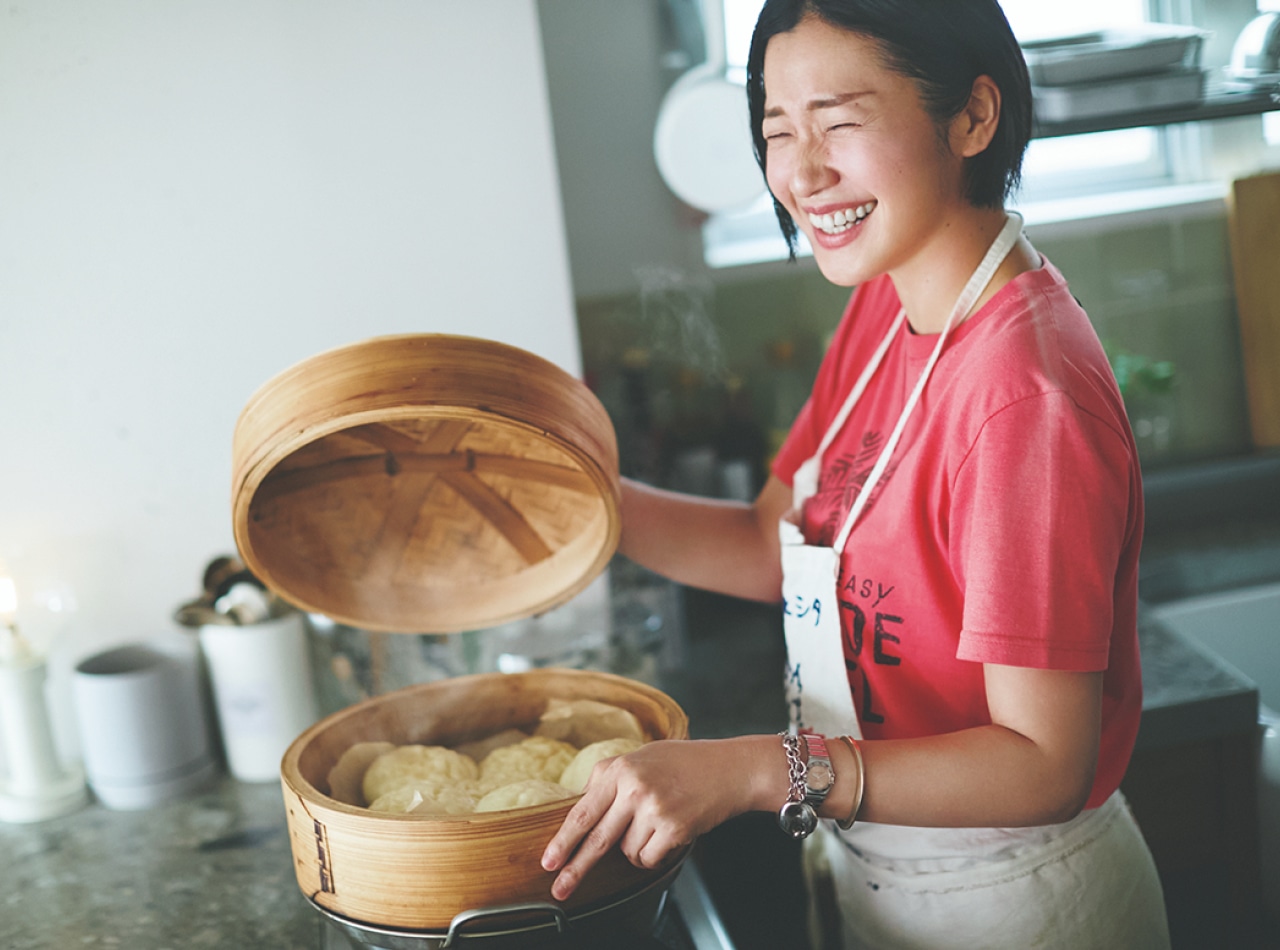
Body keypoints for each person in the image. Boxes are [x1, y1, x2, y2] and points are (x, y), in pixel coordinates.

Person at [541, 1, 1171, 946]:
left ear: (972, 117)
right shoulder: (889, 302)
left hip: (1014, 901)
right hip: (883, 873)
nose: (800, 172)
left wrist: (761, 770)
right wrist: (573, 506)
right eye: (777, 131)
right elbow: (773, 543)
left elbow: (1045, 764)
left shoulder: (1021, 396)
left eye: (839, 122)